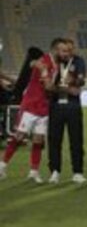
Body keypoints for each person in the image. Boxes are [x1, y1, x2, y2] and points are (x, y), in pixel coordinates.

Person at [0, 39, 67, 182]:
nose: (65, 53)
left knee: (38, 140)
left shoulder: (58, 64)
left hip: (43, 107)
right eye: (62, 50)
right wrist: (39, 67)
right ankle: (2, 166)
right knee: (19, 137)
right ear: (55, 50)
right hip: (31, 105)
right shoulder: (44, 60)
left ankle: (33, 171)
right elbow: (34, 64)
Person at [47, 38, 87, 184]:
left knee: (76, 140)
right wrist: (69, 88)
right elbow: (49, 86)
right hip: (56, 105)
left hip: (73, 107)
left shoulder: (78, 61)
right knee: (54, 140)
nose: (67, 53)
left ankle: (77, 172)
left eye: (70, 49)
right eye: (64, 50)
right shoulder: (54, 62)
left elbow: (81, 80)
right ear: (59, 50)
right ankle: (55, 171)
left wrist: (73, 81)